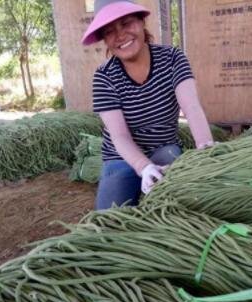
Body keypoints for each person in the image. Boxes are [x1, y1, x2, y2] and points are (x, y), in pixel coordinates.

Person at [82, 0, 214, 210]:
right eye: (109, 31)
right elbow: (120, 136)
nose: (120, 35)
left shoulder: (172, 59)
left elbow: (191, 107)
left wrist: (205, 146)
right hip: (121, 157)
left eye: (126, 23)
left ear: (142, 22)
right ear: (105, 40)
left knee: (182, 204)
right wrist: (144, 167)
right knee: (108, 218)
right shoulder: (104, 77)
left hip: (163, 149)